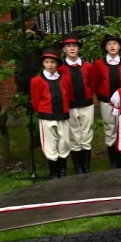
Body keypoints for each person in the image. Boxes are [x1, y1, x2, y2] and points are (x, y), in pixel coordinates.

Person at [29, 48, 72, 179]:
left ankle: (62, 171)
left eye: (52, 62)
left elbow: (68, 95)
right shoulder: (36, 80)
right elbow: (35, 100)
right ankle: (54, 173)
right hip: (47, 117)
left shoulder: (65, 79)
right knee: (50, 144)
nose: (50, 65)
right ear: (43, 63)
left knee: (64, 142)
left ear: (57, 63)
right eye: (47, 62)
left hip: (63, 115)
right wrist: (43, 111)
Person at [60, 35, 98, 175]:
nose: (72, 48)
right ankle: (78, 167)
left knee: (86, 133)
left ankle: (86, 166)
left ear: (78, 48)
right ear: (64, 49)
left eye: (74, 46)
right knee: (74, 135)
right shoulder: (61, 68)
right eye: (69, 46)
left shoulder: (88, 66)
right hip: (70, 106)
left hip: (86, 104)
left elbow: (92, 83)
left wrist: (90, 96)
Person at [92, 34, 121, 168]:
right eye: (109, 44)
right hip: (106, 102)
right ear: (105, 47)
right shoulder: (99, 64)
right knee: (110, 129)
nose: (112, 46)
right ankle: (113, 160)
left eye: (115, 44)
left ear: (119, 47)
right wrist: (101, 97)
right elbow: (96, 82)